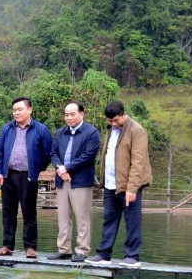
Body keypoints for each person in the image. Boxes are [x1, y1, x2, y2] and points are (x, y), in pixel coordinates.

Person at [86, 100, 152, 267]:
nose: (113, 123)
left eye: (116, 120)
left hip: (129, 185)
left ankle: (132, 256)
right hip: (110, 183)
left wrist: (132, 189)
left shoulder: (137, 130)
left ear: (123, 114)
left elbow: (139, 162)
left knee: (132, 220)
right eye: (110, 121)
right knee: (109, 219)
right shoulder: (111, 129)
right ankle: (104, 254)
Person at [0, 97, 52, 258]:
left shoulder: (40, 129)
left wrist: (37, 169)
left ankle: (30, 247)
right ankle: (7, 245)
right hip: (8, 175)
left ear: (30, 109)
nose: (16, 113)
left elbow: (47, 153)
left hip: (28, 176)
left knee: (29, 213)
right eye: (14, 110)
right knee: (8, 212)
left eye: (20, 109)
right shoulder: (7, 128)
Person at [47, 101, 100, 263]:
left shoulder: (91, 133)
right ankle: (64, 249)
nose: (69, 118)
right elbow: (53, 153)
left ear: (82, 114)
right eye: (66, 115)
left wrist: (67, 168)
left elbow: (88, 156)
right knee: (63, 217)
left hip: (81, 181)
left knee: (82, 217)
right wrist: (60, 169)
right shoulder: (60, 132)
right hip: (62, 181)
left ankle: (82, 250)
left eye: (72, 114)